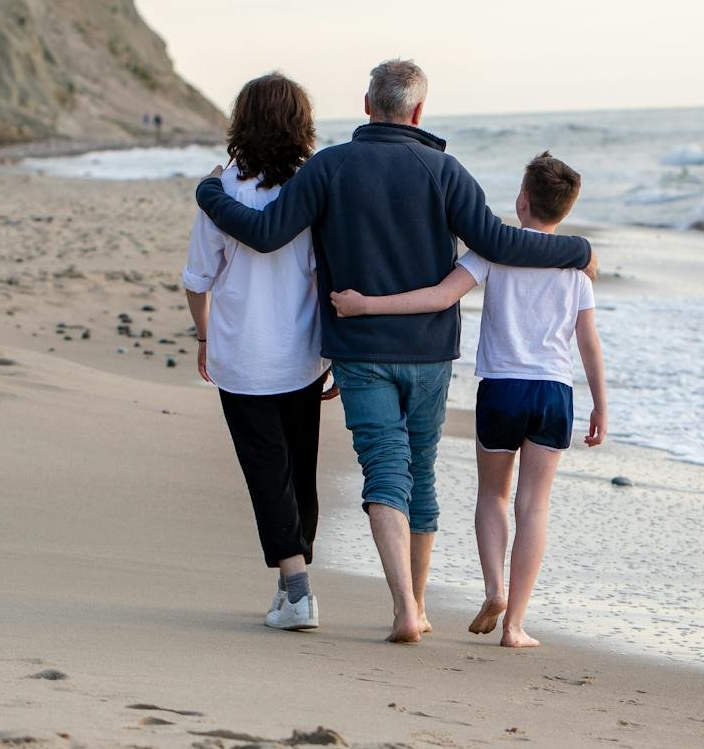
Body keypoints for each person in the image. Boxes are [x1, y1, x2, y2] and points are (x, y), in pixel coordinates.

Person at [196, 60, 595, 644]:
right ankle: (418, 605)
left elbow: (264, 232)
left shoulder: (330, 165)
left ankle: (406, 608)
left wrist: (209, 192)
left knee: (384, 470)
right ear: (418, 111)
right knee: (421, 473)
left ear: (366, 104)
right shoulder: (444, 170)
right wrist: (576, 248)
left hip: (359, 350)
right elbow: (500, 243)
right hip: (430, 352)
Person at [332, 150, 606, 649]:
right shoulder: (574, 269)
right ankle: (516, 625)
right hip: (555, 392)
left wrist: (365, 305)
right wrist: (601, 406)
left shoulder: (491, 252)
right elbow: (588, 341)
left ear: (521, 201)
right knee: (534, 508)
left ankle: (493, 589)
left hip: (501, 390)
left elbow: (437, 297)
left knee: (493, 497)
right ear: (564, 210)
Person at [183, 72, 330, 631]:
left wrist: (203, 334)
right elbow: (322, 275)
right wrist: (333, 349)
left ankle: (295, 591)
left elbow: (198, 278)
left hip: (241, 353)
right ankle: (292, 586)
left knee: (267, 470)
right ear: (301, 125)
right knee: (300, 471)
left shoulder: (224, 193)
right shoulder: (313, 190)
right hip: (301, 353)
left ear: (241, 122)